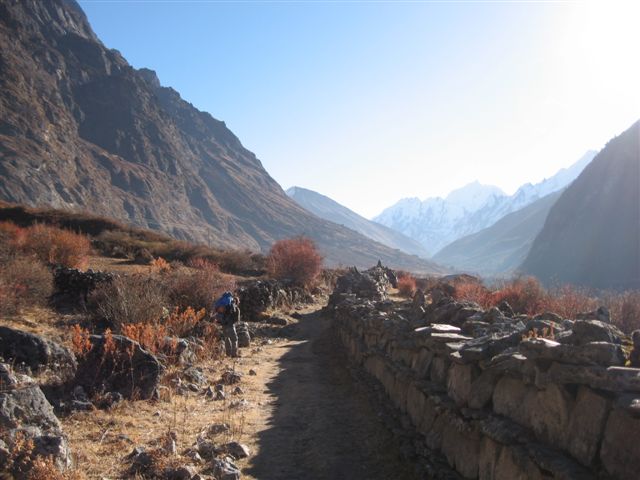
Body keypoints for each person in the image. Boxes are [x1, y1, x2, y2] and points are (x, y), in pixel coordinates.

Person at [214, 291, 241, 357]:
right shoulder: (232, 305)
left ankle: (228, 354)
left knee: (227, 338)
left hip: (223, 324)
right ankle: (234, 354)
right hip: (230, 324)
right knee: (234, 339)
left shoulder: (222, 302)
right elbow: (236, 317)